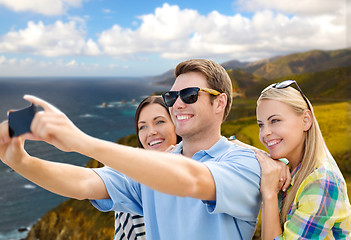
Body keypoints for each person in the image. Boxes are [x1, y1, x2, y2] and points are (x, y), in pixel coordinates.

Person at [0, 59, 261, 240]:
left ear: (220, 103)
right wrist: (20, 161)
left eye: (190, 94)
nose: (177, 104)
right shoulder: (153, 169)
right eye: (171, 97)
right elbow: (82, 183)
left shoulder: (243, 162)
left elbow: (191, 181)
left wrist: (81, 141)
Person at [255, 80, 351, 239]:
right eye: (261, 125)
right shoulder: (293, 167)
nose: (265, 133)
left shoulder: (322, 182)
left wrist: (269, 194)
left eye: (275, 121)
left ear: (306, 120)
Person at [115, 95, 179, 240]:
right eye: (143, 126)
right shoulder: (134, 184)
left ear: (177, 124)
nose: (151, 132)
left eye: (160, 122)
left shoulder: (206, 170)